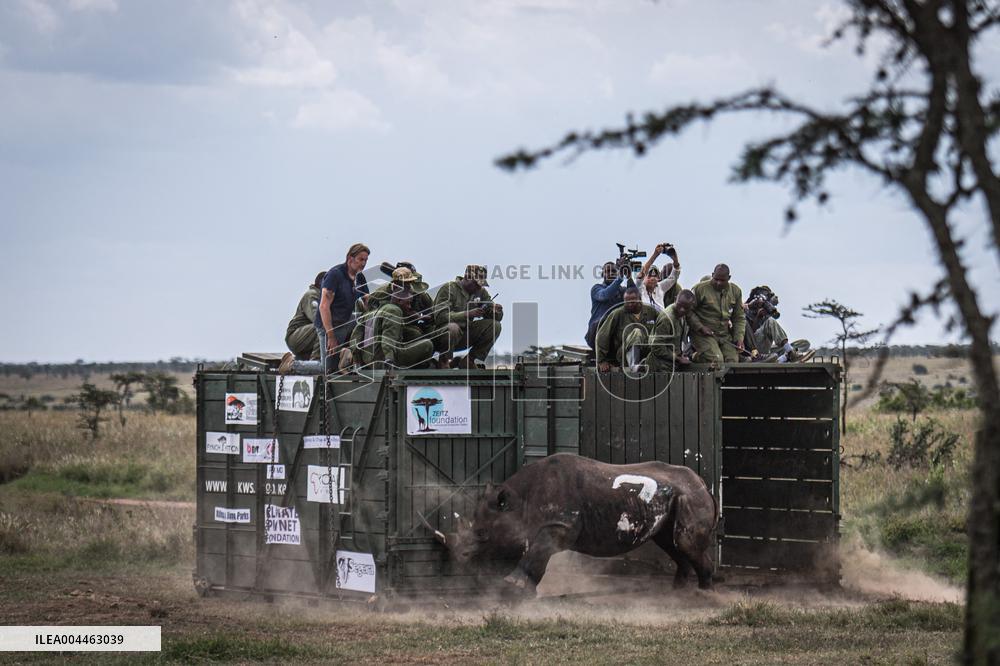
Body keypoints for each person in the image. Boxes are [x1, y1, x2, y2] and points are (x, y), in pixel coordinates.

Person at [433, 264, 503, 369]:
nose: (479, 287)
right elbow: (440, 317)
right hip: (441, 336)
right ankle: (444, 361)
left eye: (481, 284)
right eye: (476, 283)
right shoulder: (449, 289)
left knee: (495, 326)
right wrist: (468, 314)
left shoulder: (480, 292)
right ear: (466, 278)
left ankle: (469, 360)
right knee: (453, 328)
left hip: (464, 335)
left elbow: (496, 317)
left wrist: (496, 311)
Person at [315, 243, 370, 373]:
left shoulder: (359, 277)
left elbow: (367, 300)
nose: (363, 263)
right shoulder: (335, 275)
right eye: (361, 259)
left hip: (346, 320)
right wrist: (331, 335)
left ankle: (351, 356)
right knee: (327, 369)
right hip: (328, 324)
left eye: (366, 260)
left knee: (366, 320)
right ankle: (292, 364)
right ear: (350, 259)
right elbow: (324, 306)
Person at [686, 264, 746, 364]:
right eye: (716, 279)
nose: (718, 283)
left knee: (732, 361)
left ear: (729, 278)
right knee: (717, 360)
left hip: (724, 335)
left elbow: (739, 318)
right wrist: (700, 327)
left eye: (722, 280)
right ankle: (695, 356)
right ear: (712, 275)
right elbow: (688, 311)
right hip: (702, 334)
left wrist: (739, 338)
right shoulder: (700, 289)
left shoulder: (735, 291)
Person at [595, 286, 660, 372]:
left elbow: (664, 327)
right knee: (637, 332)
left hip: (646, 351)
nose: (629, 304)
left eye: (632, 301)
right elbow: (602, 336)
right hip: (624, 353)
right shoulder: (617, 314)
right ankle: (634, 365)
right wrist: (601, 360)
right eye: (627, 302)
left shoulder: (651, 311)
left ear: (639, 299)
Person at [744, 286, 815, 363]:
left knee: (804, 344)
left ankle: (786, 356)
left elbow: (775, 316)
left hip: (766, 352)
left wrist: (769, 309)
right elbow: (749, 338)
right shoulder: (746, 309)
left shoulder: (765, 312)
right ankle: (789, 355)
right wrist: (758, 317)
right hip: (753, 351)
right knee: (770, 321)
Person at [585, 258, 635, 350]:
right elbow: (605, 295)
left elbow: (634, 297)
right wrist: (620, 278)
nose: (611, 273)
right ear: (602, 274)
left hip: (616, 336)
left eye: (613, 271)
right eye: (607, 271)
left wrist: (629, 278)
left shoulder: (623, 291)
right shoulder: (596, 289)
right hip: (597, 335)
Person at [646, 289, 696, 371]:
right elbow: (657, 346)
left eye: (686, 308)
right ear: (675, 299)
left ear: (691, 306)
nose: (682, 310)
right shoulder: (667, 319)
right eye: (680, 305)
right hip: (660, 367)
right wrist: (678, 358)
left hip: (672, 364)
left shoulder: (683, 315)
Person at [284, 271, 325, 361]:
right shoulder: (312, 295)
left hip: (307, 337)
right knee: (324, 325)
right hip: (295, 337)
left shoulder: (324, 297)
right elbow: (317, 319)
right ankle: (316, 361)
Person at [636, 243, 682, 311]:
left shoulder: (660, 287)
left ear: (658, 279)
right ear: (644, 277)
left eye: (655, 276)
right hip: (645, 319)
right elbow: (640, 276)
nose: (652, 278)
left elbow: (674, 277)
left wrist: (675, 259)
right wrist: (655, 254)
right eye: (649, 275)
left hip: (660, 319)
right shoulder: (640, 288)